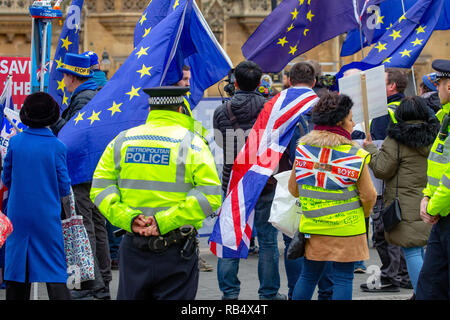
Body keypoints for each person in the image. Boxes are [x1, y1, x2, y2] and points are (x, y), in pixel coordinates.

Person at [90, 86, 221, 299]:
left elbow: (100, 188)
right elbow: (210, 197)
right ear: (180, 109)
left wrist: (129, 219)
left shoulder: (123, 140)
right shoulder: (192, 143)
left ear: (150, 109)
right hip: (176, 249)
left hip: (133, 246)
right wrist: (163, 221)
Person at [288, 92, 377, 300]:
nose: (353, 124)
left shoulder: (303, 151)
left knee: (308, 276)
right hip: (348, 228)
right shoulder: (356, 156)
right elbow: (369, 196)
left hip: (313, 227)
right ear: (339, 122)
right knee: (344, 279)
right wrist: (361, 213)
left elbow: (293, 189)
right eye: (351, 118)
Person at [213, 60, 286, 300]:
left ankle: (230, 294)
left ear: (235, 82)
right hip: (265, 179)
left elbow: (222, 143)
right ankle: (268, 293)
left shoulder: (222, 111)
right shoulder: (270, 109)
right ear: (260, 82)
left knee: (230, 237)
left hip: (234, 179)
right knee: (267, 240)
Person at [363, 96, 439, 297]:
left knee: (412, 250)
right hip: (431, 199)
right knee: (423, 249)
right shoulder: (437, 135)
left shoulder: (396, 139)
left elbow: (382, 169)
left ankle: (423, 294)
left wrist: (370, 149)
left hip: (404, 205)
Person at [51, 53, 112, 300]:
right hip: (94, 171)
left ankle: (93, 285)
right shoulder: (89, 93)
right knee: (97, 226)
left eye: (64, 74)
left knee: (85, 226)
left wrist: (54, 120)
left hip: (82, 171)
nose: (63, 79)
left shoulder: (83, 97)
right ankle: (103, 280)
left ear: (71, 76)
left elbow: (71, 134)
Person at [2, 92, 72, 300]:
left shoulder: (16, 143)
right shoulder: (58, 146)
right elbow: (64, 187)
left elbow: (7, 178)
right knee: (54, 269)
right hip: (46, 216)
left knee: (16, 270)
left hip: (18, 215)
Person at [283, 62, 333, 300]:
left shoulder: (278, 106)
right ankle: (326, 292)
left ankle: (296, 292)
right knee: (324, 242)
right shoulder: (329, 105)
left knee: (293, 243)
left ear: (289, 80)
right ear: (314, 82)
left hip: (292, 181)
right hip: (325, 183)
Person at [360, 68, 412, 292]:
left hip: (384, 184)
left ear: (391, 87)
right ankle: (403, 275)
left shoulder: (384, 113)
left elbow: (380, 155)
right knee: (401, 231)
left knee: (383, 233)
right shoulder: (409, 108)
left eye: (380, 82)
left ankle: (392, 277)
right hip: (407, 182)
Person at [416, 59, 450, 300]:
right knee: (430, 285)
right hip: (441, 213)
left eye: (439, 84)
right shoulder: (444, 116)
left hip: (443, 210)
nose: (436, 89)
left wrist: (433, 206)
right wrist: (426, 196)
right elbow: (437, 166)